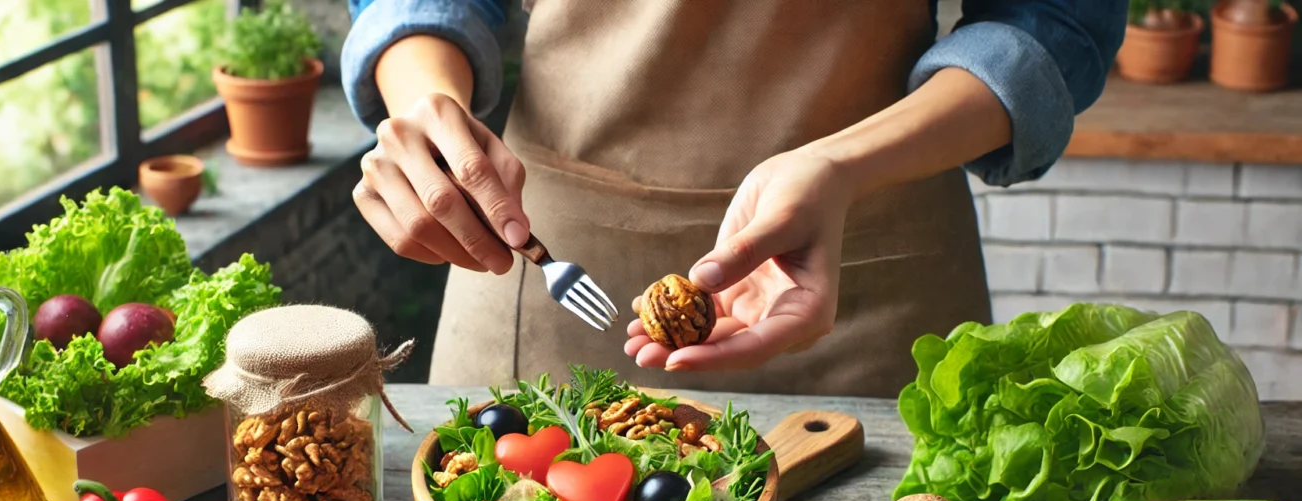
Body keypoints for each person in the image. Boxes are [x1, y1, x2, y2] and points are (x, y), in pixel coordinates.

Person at [341, 1, 1125, 396]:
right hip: (551, 256)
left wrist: (843, 166)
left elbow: (1054, 22)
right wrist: (424, 105)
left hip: (870, 258)